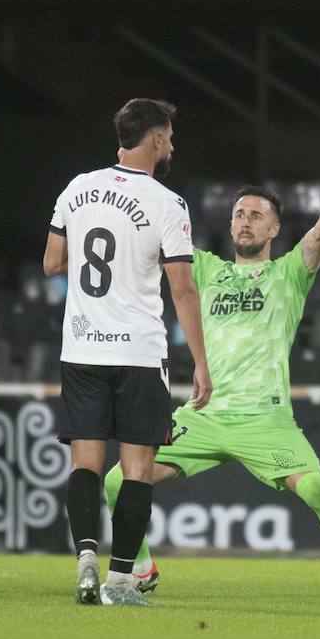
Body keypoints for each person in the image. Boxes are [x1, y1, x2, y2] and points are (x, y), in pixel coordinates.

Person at [102, 135, 320, 606]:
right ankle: (142, 565)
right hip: (203, 414)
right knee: (118, 481)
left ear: (275, 229)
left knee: (316, 488)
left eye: (256, 215)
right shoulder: (207, 269)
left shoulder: (289, 274)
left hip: (265, 419)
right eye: (239, 214)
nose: (245, 221)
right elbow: (150, 240)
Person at [44, 98, 210, 607]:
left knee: (86, 465)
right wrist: (201, 362)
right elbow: (181, 288)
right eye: (170, 136)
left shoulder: (77, 188)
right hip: (138, 352)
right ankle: (120, 580)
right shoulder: (168, 203)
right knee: (136, 469)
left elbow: (52, 263)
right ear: (156, 139)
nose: (173, 146)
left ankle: (86, 560)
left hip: (82, 348)